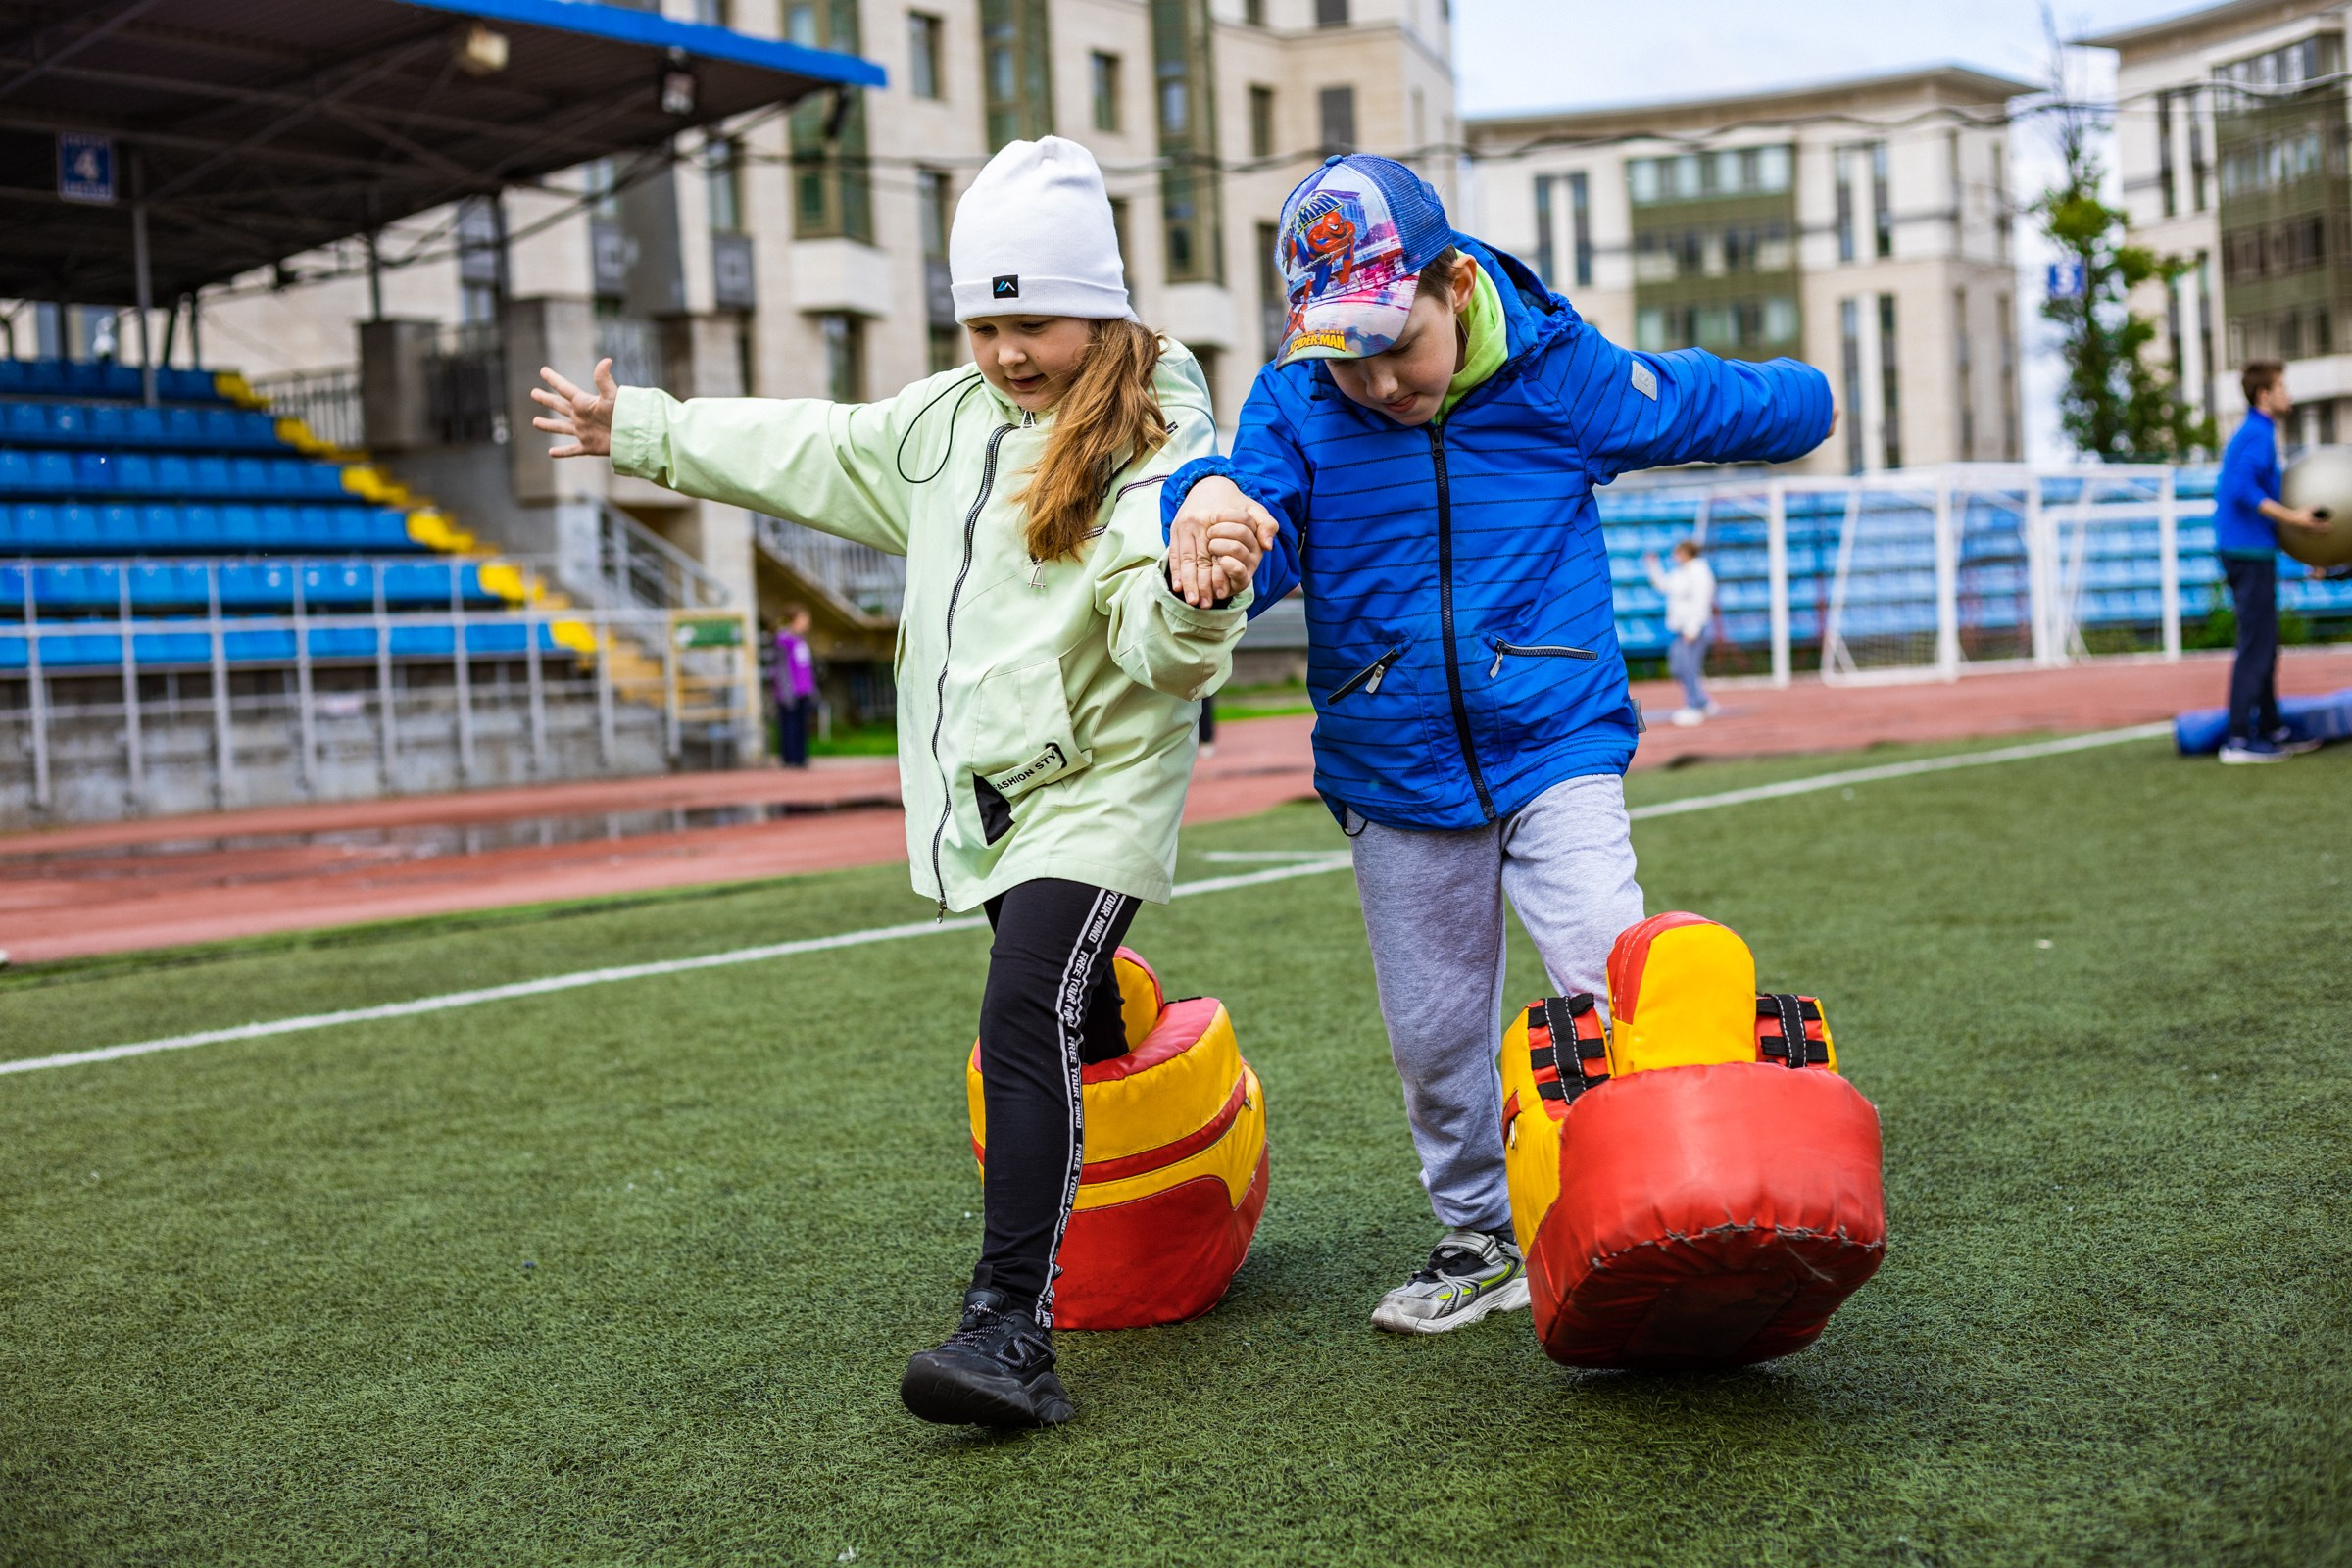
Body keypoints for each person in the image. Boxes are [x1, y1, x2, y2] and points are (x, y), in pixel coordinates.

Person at [532, 136, 1268, 1429]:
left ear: (1099, 307)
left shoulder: (1150, 446)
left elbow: (1159, 642)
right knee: (1071, 1014)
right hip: (990, 790)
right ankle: (1159, 1163)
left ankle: (1007, 1335)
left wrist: (1195, 587)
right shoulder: (945, 424)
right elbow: (810, 446)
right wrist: (638, 429)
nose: (1003, 354)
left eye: (1029, 322)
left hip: (1094, 792)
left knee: (1023, 1008)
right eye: (982, 324)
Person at [1166, 154, 1832, 1335]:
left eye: (1395, 341)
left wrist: (1810, 398)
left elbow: (1694, 399)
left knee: (1607, 970)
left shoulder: (1558, 374)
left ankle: (1661, 1199)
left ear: (1456, 285)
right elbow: (1247, 512)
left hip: (1555, 739)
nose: (1375, 380)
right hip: (1392, 764)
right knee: (1434, 1035)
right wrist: (1210, 527)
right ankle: (1479, 1226)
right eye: (1344, 354)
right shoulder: (1297, 402)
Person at [2213, 360, 2330, 763]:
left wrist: (2306, 556)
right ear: (2264, 395)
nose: (2288, 395)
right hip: (2245, 554)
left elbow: (2259, 506)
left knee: (2266, 645)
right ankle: (2240, 738)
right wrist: (2296, 518)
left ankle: (2270, 728)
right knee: (2256, 646)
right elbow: (2239, 489)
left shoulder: (2260, 432)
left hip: (2254, 551)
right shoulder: (2256, 434)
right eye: (2282, 387)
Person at [1644, 539, 1718, 725]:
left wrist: (1693, 627)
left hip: (1694, 629)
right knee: (1678, 667)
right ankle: (1702, 701)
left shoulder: (1700, 572)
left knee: (1689, 668)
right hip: (1679, 630)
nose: (1674, 556)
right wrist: (1653, 565)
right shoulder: (1680, 572)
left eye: (1677, 552)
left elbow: (1702, 600)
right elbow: (1663, 585)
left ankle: (1693, 706)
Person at [771, 605, 817, 767]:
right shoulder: (783, 640)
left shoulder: (801, 640)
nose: (807, 622)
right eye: (804, 618)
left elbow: (806, 667)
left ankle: (800, 757)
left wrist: (812, 689)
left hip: (803, 690)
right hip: (789, 691)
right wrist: (786, 692)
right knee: (789, 726)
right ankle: (789, 759)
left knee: (802, 726)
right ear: (794, 620)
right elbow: (782, 668)